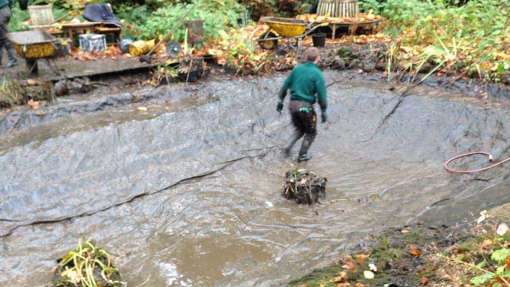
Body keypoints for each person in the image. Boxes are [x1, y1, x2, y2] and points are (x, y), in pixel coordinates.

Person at [277, 47, 328, 162]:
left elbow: (285, 87)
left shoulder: (297, 69)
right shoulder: (317, 74)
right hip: (305, 108)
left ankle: (287, 148)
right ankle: (302, 155)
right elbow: (322, 96)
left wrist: (280, 101)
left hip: (292, 105)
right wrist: (323, 111)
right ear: (318, 58)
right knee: (311, 132)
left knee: (300, 129)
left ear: (305, 57)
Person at [0, 0, 17, 68]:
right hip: (5, 10)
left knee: (4, 38)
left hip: (1, 12)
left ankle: (13, 59)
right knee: (2, 37)